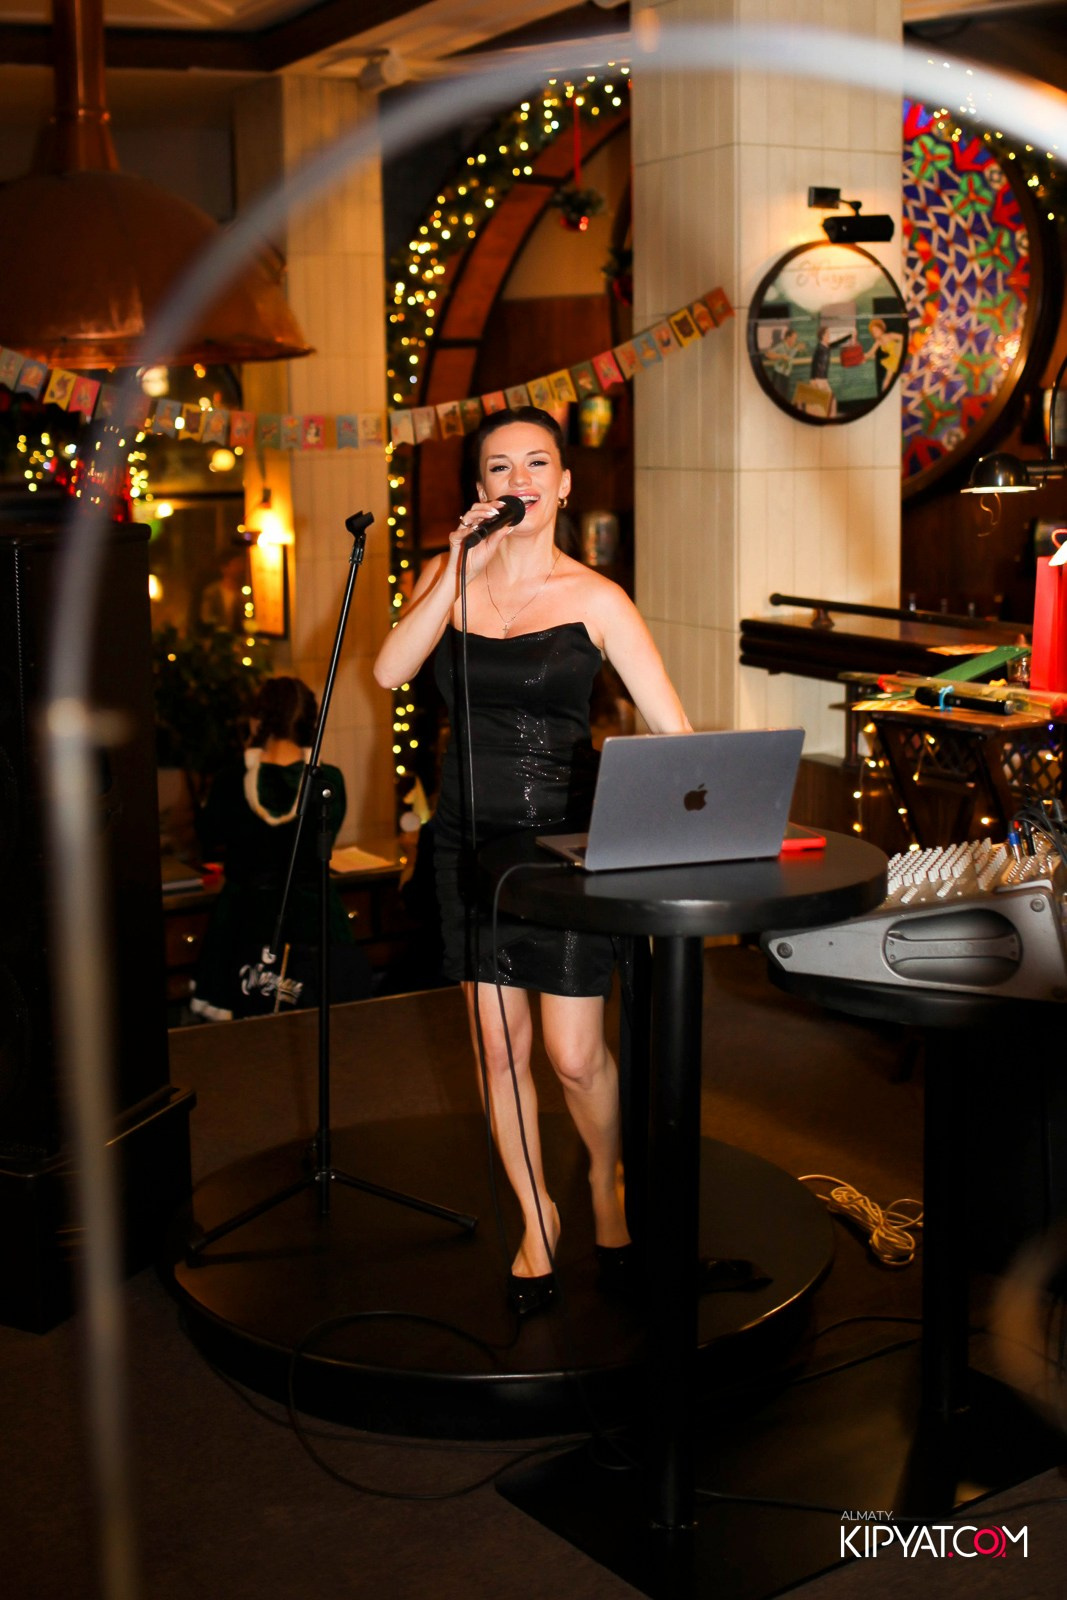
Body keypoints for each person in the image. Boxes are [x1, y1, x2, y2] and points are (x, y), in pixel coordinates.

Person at [373, 407, 690, 1315]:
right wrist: (457, 569)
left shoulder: (597, 599)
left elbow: (673, 728)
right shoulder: (448, 577)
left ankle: (602, 1179)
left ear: (563, 483)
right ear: (480, 488)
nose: (518, 480)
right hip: (466, 848)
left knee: (573, 1056)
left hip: (564, 850)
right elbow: (390, 671)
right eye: (499, 467)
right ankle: (535, 1213)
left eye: (536, 464)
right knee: (495, 1046)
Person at [190, 676, 369, 1021]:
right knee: (318, 1021)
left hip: (244, 918)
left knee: (244, 1029)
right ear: (309, 722)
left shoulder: (231, 780)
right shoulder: (328, 780)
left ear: (257, 720)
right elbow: (326, 840)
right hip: (315, 919)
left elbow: (208, 834)